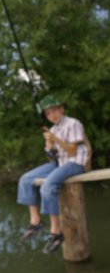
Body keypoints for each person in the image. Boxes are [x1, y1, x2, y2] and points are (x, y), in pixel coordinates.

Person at [17, 94, 91, 254]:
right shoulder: (53, 129)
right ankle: (35, 221)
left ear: (62, 109)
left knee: (48, 185)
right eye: (48, 113)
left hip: (76, 163)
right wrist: (49, 145)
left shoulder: (73, 124)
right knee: (25, 179)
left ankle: (56, 231)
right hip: (60, 163)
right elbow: (52, 158)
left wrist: (55, 139)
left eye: (55, 111)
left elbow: (72, 152)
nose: (52, 115)